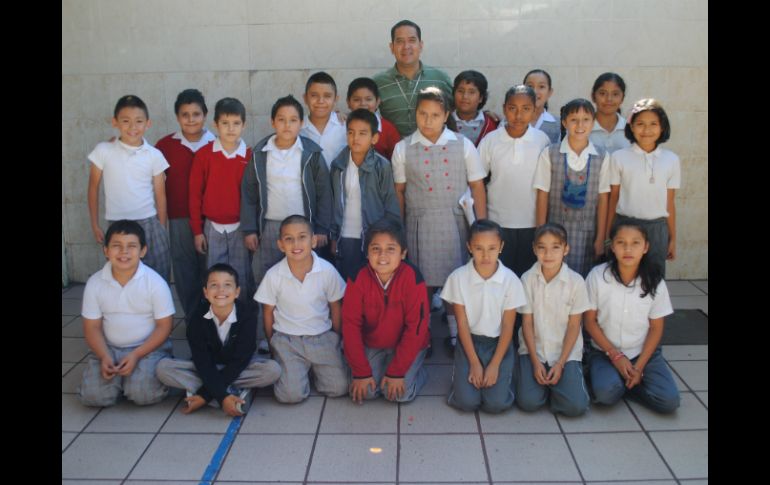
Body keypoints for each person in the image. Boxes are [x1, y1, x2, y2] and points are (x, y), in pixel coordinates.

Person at [391, 87, 487, 347]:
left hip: (454, 222)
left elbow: (477, 186)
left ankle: (456, 332)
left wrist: (481, 225)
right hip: (419, 222)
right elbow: (399, 191)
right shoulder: (403, 148)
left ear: (446, 115)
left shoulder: (463, 144)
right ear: (416, 115)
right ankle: (422, 333)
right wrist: (400, 229)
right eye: (423, 114)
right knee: (421, 282)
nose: (428, 120)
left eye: (435, 114)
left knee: (454, 279)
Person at [156, 263, 281, 416]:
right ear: (205, 292)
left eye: (227, 285)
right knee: (163, 368)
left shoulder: (247, 316)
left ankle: (203, 393)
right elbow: (202, 361)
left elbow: (241, 359)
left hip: (239, 367)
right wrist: (222, 397)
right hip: (207, 368)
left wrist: (205, 396)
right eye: (214, 285)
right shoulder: (196, 318)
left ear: (237, 292)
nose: (221, 290)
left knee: (272, 370)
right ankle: (232, 392)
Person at [584, 221, 680, 413]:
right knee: (605, 394)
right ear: (612, 246)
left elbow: (656, 328)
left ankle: (629, 382)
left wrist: (639, 366)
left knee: (669, 401)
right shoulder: (597, 276)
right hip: (605, 352)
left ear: (645, 247)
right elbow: (589, 322)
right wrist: (615, 355)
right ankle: (616, 380)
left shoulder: (655, 281)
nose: (628, 249)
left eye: (635, 243)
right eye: (621, 242)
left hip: (643, 353)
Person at [241, 95, 333, 289]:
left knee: (304, 275)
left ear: (301, 123)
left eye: (293, 120)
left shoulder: (312, 153)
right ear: (272, 122)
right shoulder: (260, 154)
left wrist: (322, 228)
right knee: (266, 275)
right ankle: (268, 318)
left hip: (303, 226)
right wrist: (250, 229)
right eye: (281, 119)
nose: (287, 125)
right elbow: (249, 194)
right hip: (270, 227)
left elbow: (324, 193)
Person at [78, 220, 175, 407]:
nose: (124, 252)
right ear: (106, 250)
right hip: (109, 348)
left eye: (132, 246)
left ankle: (135, 379)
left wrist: (137, 355)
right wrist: (104, 355)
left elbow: (165, 326)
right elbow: (92, 327)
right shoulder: (95, 282)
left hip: (147, 349)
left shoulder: (155, 283)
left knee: (143, 395)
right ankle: (117, 379)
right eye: (116, 246)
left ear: (143, 251)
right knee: (93, 397)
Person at [254, 215, 348, 403]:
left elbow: (336, 307)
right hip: (287, 340)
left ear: (313, 241)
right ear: (281, 245)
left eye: (302, 237)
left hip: (322, 337)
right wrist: (272, 342)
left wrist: (336, 338)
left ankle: (312, 369)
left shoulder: (327, 270)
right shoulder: (274, 275)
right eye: (289, 239)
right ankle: (298, 369)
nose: (296, 243)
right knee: (290, 395)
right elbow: (267, 313)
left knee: (340, 388)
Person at [343, 220, 430, 403]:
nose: (382, 255)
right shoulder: (357, 277)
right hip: (373, 343)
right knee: (366, 392)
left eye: (391, 249)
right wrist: (361, 372)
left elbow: (416, 329)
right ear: (367, 253)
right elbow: (350, 325)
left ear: (403, 253)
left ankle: (417, 371)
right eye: (375, 249)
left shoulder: (413, 278)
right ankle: (386, 369)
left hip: (407, 343)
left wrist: (397, 373)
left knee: (399, 395)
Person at [442, 220, 525, 413]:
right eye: (479, 248)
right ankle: (462, 381)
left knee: (496, 404)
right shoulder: (458, 277)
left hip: (499, 345)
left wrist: (495, 365)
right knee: (466, 403)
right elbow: (461, 324)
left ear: (501, 247)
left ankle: (505, 378)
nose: (486, 255)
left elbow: (507, 326)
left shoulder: (510, 280)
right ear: (469, 247)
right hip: (469, 342)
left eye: (492, 248)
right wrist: (474, 363)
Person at [87, 95, 171, 282]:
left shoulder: (154, 155)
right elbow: (93, 188)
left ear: (148, 123)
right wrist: (94, 224)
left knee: (157, 276)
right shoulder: (103, 150)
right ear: (115, 122)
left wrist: (161, 227)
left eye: (139, 121)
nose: (133, 127)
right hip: (117, 223)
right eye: (126, 121)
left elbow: (161, 194)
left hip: (148, 223)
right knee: (122, 277)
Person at [515, 223, 591, 416]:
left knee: (575, 407)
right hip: (535, 350)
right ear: (534, 249)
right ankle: (543, 384)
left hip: (564, 352)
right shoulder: (527, 279)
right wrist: (535, 361)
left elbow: (575, 325)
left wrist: (560, 363)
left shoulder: (576, 282)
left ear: (566, 249)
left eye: (555, 247)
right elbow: (527, 323)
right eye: (542, 247)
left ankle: (567, 379)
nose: (548, 254)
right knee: (528, 403)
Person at [478, 85, 551, 278]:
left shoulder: (542, 140)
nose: (518, 115)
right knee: (501, 276)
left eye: (526, 108)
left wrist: (541, 226)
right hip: (498, 222)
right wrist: (483, 219)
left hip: (531, 223)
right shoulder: (490, 141)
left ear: (535, 110)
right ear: (504, 108)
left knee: (527, 277)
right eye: (512, 108)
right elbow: (477, 182)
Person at [155, 89, 215, 321]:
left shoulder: (217, 142)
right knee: (184, 269)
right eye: (185, 114)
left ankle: (212, 317)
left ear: (205, 115)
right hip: (179, 217)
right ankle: (193, 319)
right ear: (177, 117)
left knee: (209, 267)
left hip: (210, 218)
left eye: (196, 114)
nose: (191, 119)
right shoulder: (164, 146)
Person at [534, 98, 610, 277]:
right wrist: (539, 233)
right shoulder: (550, 153)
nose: (580, 125)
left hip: (588, 233)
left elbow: (603, 199)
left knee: (584, 279)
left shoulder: (603, 156)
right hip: (555, 231)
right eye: (574, 119)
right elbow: (542, 195)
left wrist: (601, 238)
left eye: (586, 119)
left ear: (593, 122)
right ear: (564, 122)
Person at [188, 97, 254, 301]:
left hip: (241, 228)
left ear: (244, 125)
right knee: (215, 279)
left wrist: (253, 230)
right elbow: (194, 194)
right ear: (215, 125)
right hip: (212, 228)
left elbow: (254, 197)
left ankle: (242, 326)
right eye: (225, 123)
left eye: (236, 123)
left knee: (241, 278)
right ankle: (216, 324)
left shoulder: (251, 156)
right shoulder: (204, 155)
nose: (231, 129)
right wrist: (197, 231)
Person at [608, 98, 680, 277]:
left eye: (653, 124)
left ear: (662, 127)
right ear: (631, 126)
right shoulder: (619, 157)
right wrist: (608, 234)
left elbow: (669, 203)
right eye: (640, 124)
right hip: (625, 225)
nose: (646, 130)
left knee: (654, 279)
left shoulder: (671, 159)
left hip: (657, 229)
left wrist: (672, 238)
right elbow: (613, 198)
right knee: (623, 276)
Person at [330, 108, 402, 282]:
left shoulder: (381, 166)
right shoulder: (338, 165)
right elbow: (332, 202)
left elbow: (390, 203)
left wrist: (391, 237)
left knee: (370, 284)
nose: (356, 138)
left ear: (374, 138)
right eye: (351, 132)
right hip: (344, 236)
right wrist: (333, 236)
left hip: (372, 236)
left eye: (363, 133)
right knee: (345, 284)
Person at [373, 19, 453, 137]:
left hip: (434, 150)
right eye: (400, 41)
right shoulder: (377, 83)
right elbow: (363, 114)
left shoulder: (440, 78)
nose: (406, 46)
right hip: (393, 152)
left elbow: (458, 111)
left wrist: (488, 115)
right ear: (392, 47)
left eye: (412, 40)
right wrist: (338, 116)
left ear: (420, 45)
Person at [300, 71, 348, 170]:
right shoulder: (297, 128)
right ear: (305, 98)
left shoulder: (346, 127)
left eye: (327, 96)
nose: (321, 101)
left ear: (336, 99)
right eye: (314, 95)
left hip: (338, 184)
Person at [346, 77, 401, 160]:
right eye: (357, 100)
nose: (363, 104)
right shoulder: (341, 125)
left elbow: (397, 160)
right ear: (348, 102)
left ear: (378, 102)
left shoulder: (388, 129)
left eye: (368, 99)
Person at [451, 70, 498, 146]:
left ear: (481, 98)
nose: (465, 96)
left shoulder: (492, 124)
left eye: (471, 92)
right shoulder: (443, 122)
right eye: (460, 91)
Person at [589, 72, 630, 154]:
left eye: (615, 94)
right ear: (593, 96)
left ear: (622, 98)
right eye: (602, 93)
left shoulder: (631, 130)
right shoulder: (580, 129)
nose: (609, 99)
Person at [523, 69, 560, 144]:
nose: (535, 91)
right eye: (530, 86)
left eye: (541, 87)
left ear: (550, 92)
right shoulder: (509, 122)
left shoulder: (559, 125)